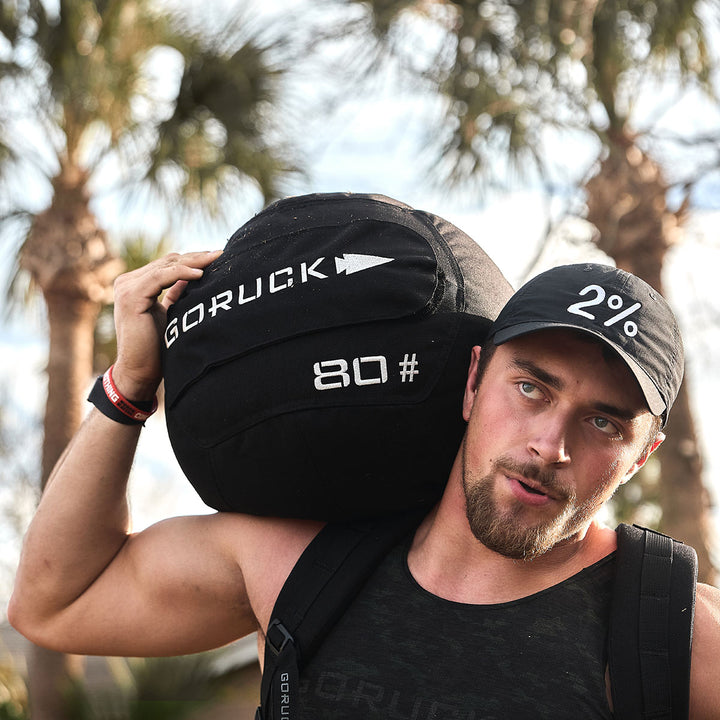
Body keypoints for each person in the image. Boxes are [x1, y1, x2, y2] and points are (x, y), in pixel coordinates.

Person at [9, 249, 720, 718]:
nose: (550, 445)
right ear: (473, 381)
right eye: (531, 388)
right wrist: (128, 392)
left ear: (642, 456)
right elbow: (55, 603)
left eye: (603, 423)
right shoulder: (306, 564)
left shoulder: (678, 637)